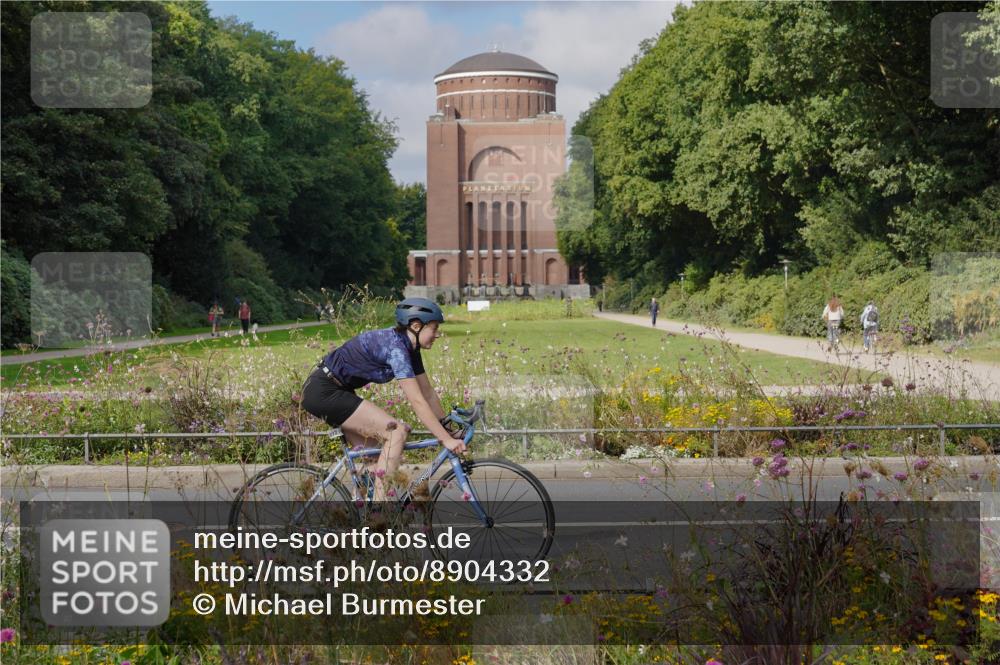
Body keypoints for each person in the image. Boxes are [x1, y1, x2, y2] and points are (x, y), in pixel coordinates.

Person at [300, 297, 466, 501]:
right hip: (324, 391)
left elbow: (427, 393)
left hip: (336, 390)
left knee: (375, 459)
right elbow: (417, 401)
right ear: (416, 326)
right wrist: (446, 439)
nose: (437, 334)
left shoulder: (410, 348)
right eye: (434, 328)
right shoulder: (396, 349)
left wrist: (449, 428)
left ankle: (362, 513)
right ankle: (381, 510)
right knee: (397, 432)